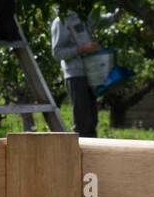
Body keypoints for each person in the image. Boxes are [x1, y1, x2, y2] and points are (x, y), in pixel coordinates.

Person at [51, 8, 120, 138]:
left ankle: (91, 150)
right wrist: (81, 49)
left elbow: (102, 21)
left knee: (92, 119)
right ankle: (80, 151)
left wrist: (118, 13)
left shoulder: (83, 15)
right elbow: (57, 53)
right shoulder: (60, 22)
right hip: (75, 74)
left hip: (91, 72)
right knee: (82, 119)